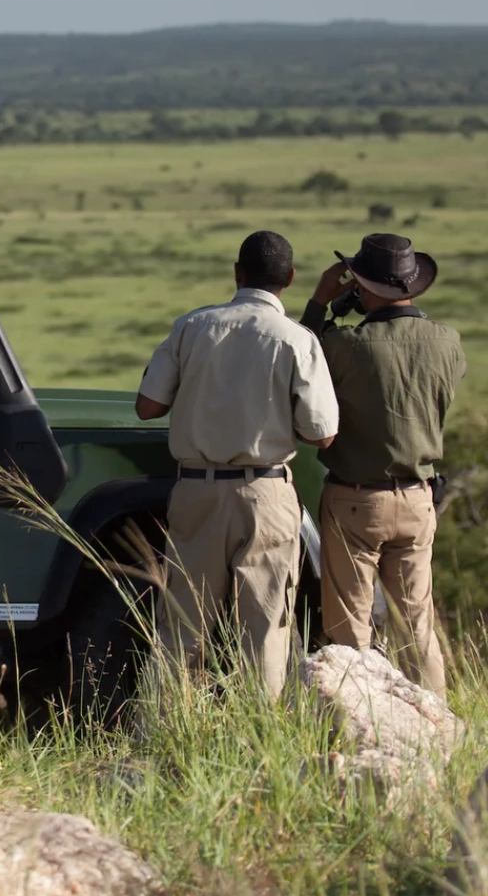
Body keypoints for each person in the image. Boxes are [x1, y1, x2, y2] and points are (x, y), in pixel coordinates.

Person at [135, 230, 339, 698]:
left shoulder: (191, 326)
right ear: (289, 279)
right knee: (266, 628)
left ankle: (165, 730)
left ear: (237, 273)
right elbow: (322, 433)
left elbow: (147, 406)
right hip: (266, 492)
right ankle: (262, 739)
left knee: (182, 624)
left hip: (197, 491)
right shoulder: (298, 339)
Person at [301, 233, 466, 700]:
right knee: (417, 628)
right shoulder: (448, 341)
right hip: (418, 499)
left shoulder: (347, 346)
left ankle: (361, 729)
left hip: (356, 501)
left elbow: (301, 358)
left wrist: (321, 302)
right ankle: (434, 725)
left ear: (362, 285)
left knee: (351, 632)